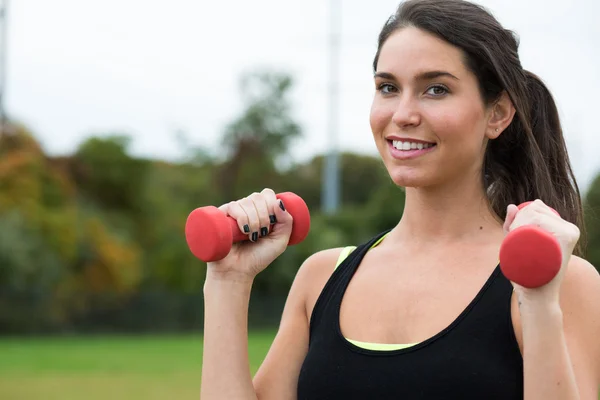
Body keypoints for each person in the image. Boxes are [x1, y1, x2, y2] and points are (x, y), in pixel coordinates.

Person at [199, 0, 600, 398]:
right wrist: (227, 282)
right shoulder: (320, 279)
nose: (403, 113)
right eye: (388, 87)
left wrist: (539, 304)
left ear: (497, 114)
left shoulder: (556, 281)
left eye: (436, 89)